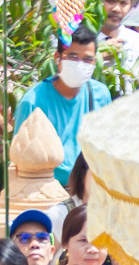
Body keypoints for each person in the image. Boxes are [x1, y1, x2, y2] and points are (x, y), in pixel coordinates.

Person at [13, 26, 111, 176]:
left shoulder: (100, 94)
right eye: (73, 57)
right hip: (48, 186)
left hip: (88, 185)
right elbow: (21, 159)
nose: (80, 64)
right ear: (57, 58)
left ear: (95, 61)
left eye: (87, 59)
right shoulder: (33, 102)